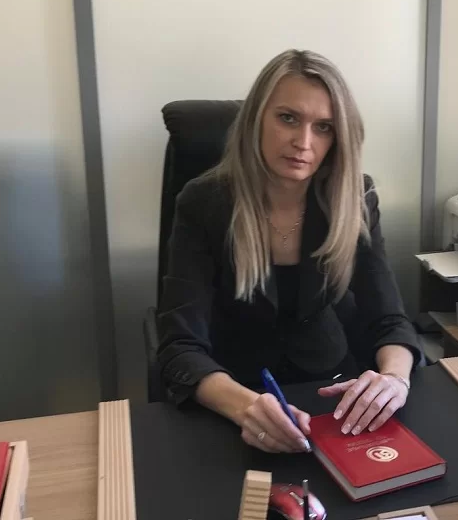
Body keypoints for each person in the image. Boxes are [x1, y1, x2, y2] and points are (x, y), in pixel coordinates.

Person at [156, 49, 422, 454]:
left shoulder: (354, 198)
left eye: (324, 127)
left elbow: (389, 319)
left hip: (332, 393)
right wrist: (246, 407)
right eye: (288, 118)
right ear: (256, 119)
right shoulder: (204, 202)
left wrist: (393, 380)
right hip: (231, 397)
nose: (303, 142)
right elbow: (179, 346)